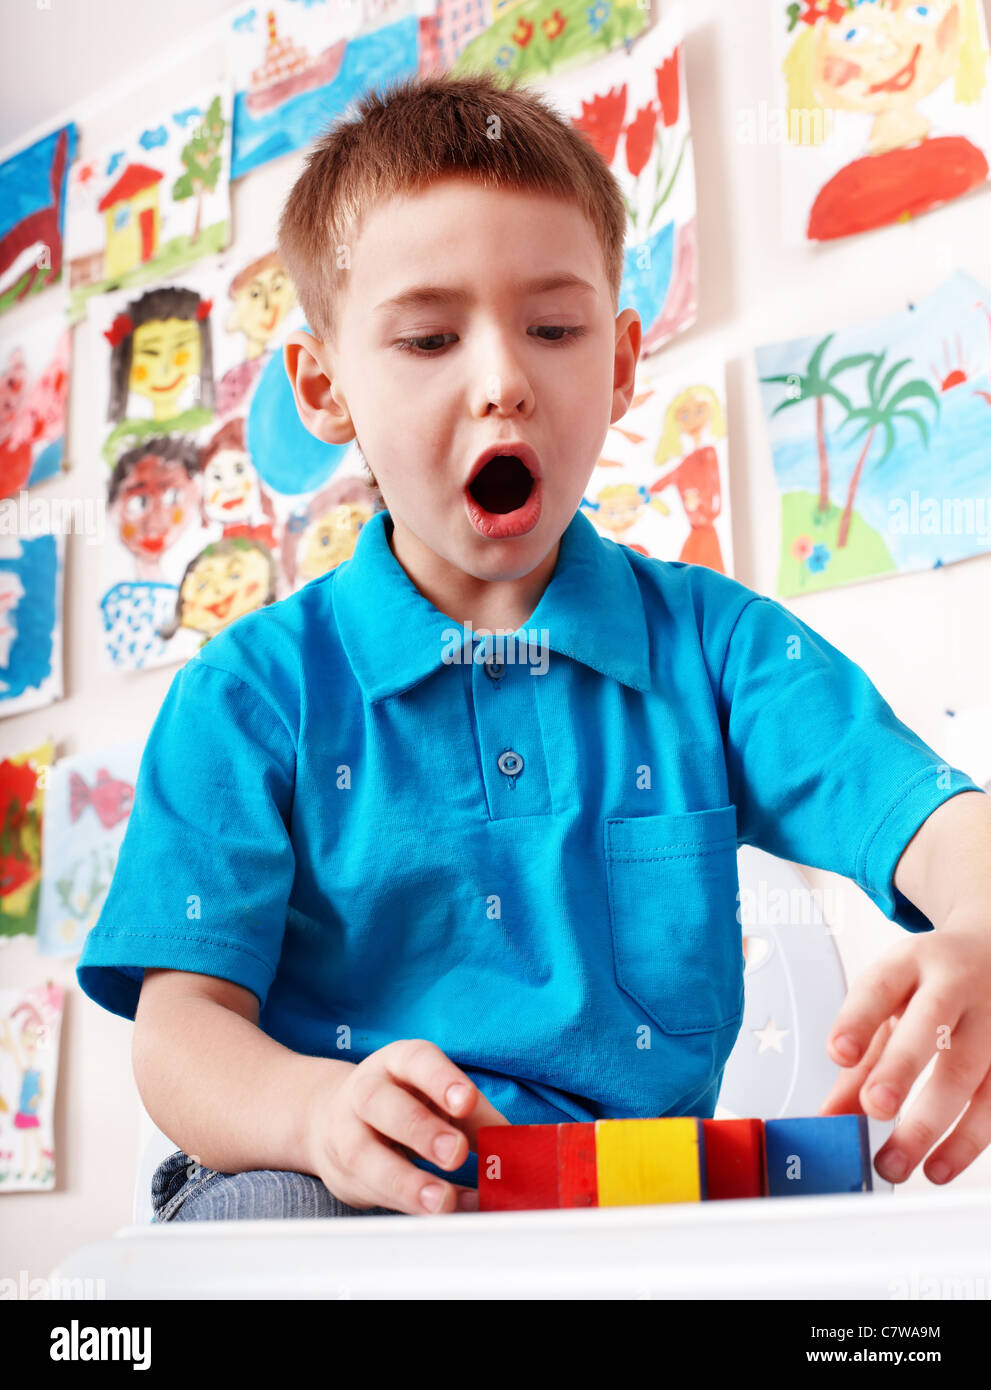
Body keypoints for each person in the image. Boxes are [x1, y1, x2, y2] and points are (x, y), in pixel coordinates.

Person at [77, 70, 991, 1224]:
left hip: (609, 1209)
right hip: (318, 1184)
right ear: (325, 386)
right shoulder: (247, 693)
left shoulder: (717, 647)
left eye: (552, 330)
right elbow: (180, 1032)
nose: (504, 382)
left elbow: (929, 817)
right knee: (260, 1218)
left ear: (615, 366)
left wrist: (980, 924)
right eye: (426, 338)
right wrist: (313, 1112)